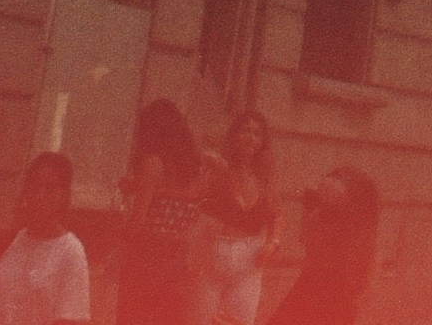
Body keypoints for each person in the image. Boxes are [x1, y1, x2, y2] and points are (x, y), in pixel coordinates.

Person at [0, 153, 91, 325]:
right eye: (34, 186)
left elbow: (72, 319)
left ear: (64, 195)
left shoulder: (70, 252)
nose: (39, 196)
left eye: (49, 188)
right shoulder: (7, 242)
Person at [119, 101, 201, 325]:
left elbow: (138, 223)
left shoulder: (153, 163)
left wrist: (121, 229)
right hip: (178, 263)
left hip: (147, 259)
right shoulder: (193, 170)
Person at [263, 169, 379, 325]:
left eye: (327, 193)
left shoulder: (354, 228)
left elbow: (355, 269)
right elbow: (307, 241)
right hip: (313, 283)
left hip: (334, 290)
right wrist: (313, 212)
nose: (321, 194)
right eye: (322, 190)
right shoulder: (324, 215)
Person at [196, 112, 277, 325]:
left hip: (250, 256)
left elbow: (278, 215)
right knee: (202, 319)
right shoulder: (216, 165)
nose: (250, 138)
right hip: (214, 251)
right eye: (245, 130)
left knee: (239, 321)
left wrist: (272, 243)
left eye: (257, 133)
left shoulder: (264, 176)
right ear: (234, 135)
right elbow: (203, 204)